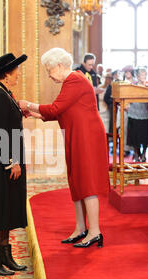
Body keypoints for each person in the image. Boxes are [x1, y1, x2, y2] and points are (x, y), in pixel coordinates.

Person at [20, 48, 109, 248]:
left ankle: (94, 231)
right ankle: (80, 228)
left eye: (49, 70)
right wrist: (36, 115)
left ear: (60, 65)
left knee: (87, 182)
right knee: (76, 181)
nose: (49, 75)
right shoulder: (72, 81)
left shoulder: (75, 80)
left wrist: (29, 105)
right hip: (77, 134)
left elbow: (56, 108)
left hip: (86, 137)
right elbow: (62, 110)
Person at [0, 53, 29, 276]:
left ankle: (4, 255)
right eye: (16, 70)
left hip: (5, 159)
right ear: (6, 74)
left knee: (8, 206)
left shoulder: (4, 93)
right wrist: (12, 162)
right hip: (2, 161)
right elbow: (0, 134)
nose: (19, 74)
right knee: (0, 208)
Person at [127, 67, 148, 162]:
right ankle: (137, 153)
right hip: (134, 113)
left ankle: (144, 154)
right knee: (135, 137)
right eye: (141, 75)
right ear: (137, 76)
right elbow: (128, 96)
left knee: (145, 137)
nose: (143, 76)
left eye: (145, 74)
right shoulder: (133, 85)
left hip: (146, 114)